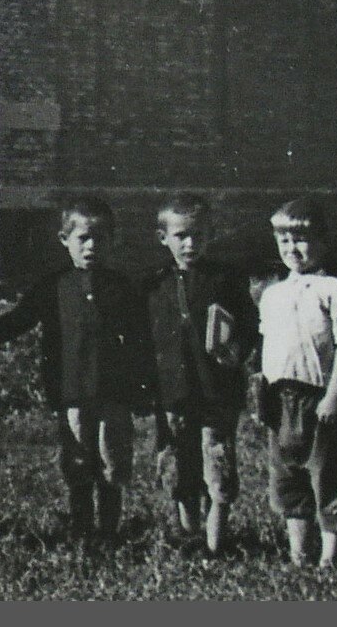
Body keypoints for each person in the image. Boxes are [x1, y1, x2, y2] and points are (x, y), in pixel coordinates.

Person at [0, 198, 152, 541]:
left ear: (113, 240)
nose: (91, 247)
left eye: (100, 238)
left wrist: (144, 389)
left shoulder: (123, 288)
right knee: (78, 463)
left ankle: (109, 533)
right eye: (83, 238)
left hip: (114, 395)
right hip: (72, 394)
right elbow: (17, 321)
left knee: (112, 464)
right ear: (64, 240)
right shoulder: (53, 287)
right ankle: (82, 533)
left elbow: (142, 340)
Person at [256, 197, 337, 567]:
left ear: (322, 241)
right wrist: (261, 391)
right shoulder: (272, 294)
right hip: (279, 399)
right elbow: (267, 347)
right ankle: (299, 554)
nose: (292, 248)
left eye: (302, 239)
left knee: (330, 475)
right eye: (284, 240)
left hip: (318, 398)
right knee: (287, 478)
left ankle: (329, 558)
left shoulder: (333, 289)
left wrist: (334, 394)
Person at [144, 193, 257, 556]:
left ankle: (215, 544)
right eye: (181, 236)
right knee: (178, 464)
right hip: (173, 393)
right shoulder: (154, 284)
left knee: (218, 463)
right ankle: (190, 536)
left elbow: (249, 325)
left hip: (216, 391)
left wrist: (237, 350)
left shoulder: (225, 279)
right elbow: (144, 339)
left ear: (211, 235)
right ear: (163, 238)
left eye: (198, 235)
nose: (190, 243)